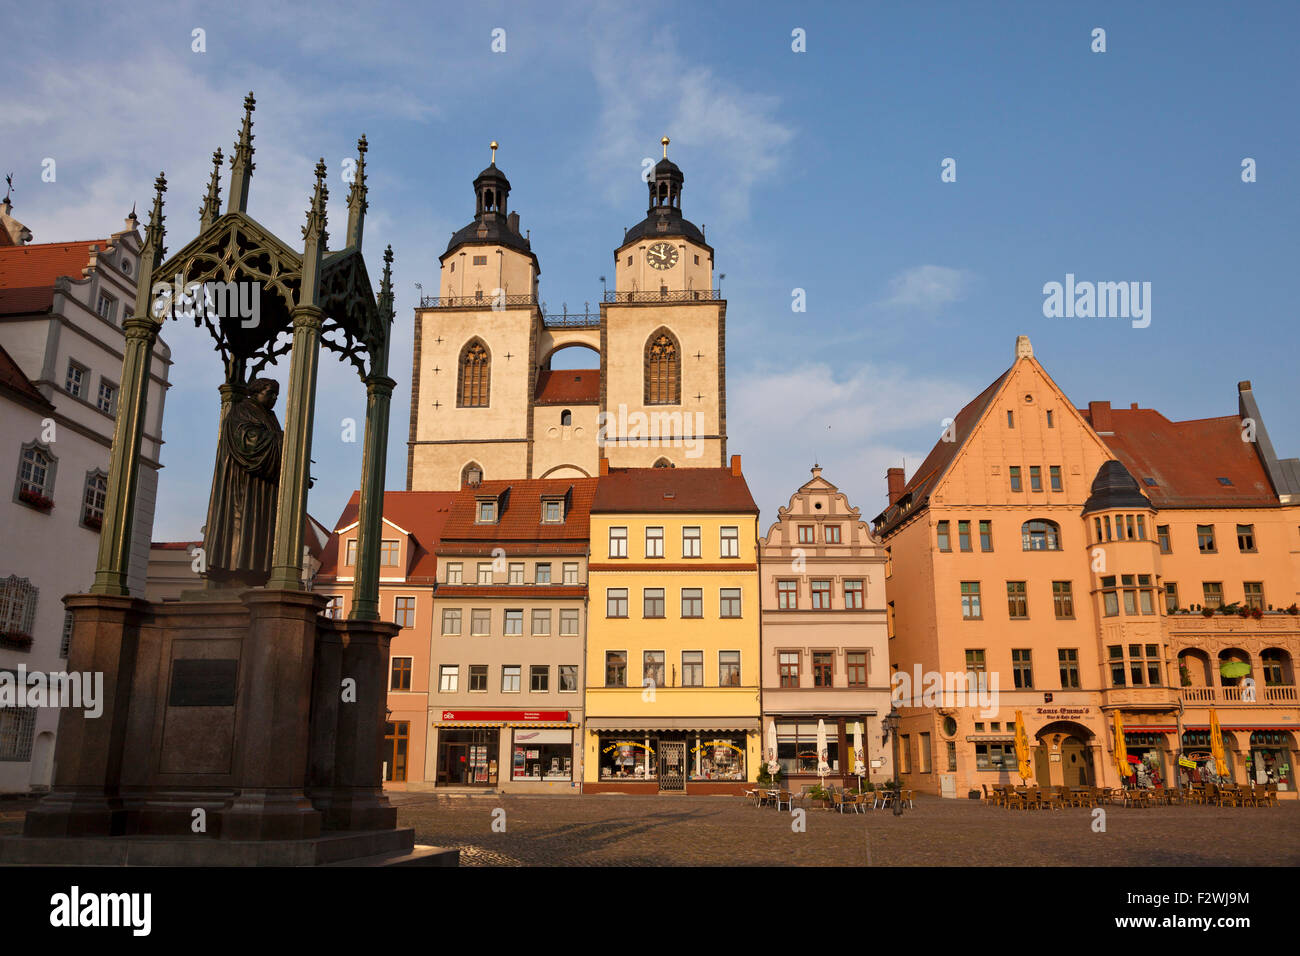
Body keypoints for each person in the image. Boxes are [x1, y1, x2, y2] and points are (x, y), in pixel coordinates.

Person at [203, 378, 283, 586]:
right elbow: (248, 443)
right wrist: (283, 441)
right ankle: (235, 570)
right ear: (256, 392)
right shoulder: (242, 410)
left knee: (257, 527)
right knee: (241, 526)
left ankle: (252, 571)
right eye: (270, 392)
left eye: (276, 394)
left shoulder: (268, 415)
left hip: (261, 487)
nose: (274, 398)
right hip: (242, 485)